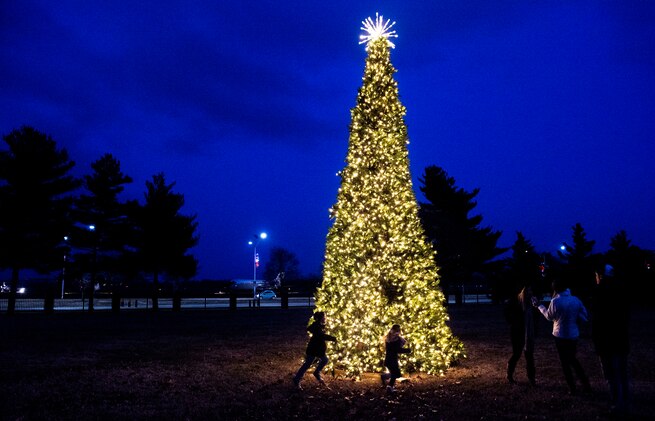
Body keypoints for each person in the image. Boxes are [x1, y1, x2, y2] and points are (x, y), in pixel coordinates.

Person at [533, 278, 591, 395]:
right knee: (573, 359)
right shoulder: (575, 300)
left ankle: (573, 387)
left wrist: (540, 306)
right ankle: (585, 384)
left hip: (560, 335)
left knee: (566, 362)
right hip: (573, 334)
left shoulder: (556, 302)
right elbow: (584, 316)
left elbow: (549, 317)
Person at [592, 264, 630, 414]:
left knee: (610, 374)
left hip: (606, 341)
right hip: (621, 338)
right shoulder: (622, 290)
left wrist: (596, 340)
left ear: (600, 276)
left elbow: (597, 320)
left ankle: (616, 404)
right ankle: (625, 401)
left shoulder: (599, 293)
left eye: (596, 276)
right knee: (622, 372)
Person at [293, 311, 337, 389]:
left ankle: (314, 373)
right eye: (324, 317)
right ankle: (297, 379)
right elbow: (322, 336)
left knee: (323, 360)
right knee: (309, 364)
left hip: (317, 349)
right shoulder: (317, 327)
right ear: (320, 318)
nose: (325, 318)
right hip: (314, 349)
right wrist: (333, 338)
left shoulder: (318, 326)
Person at [504, 286, 536, 386]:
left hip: (527, 332)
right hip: (517, 332)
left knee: (529, 356)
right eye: (528, 291)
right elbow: (507, 313)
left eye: (530, 291)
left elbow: (535, 318)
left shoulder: (531, 302)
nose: (530, 293)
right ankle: (509, 374)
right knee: (517, 354)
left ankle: (532, 378)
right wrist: (513, 323)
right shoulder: (516, 301)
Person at [380, 324, 411, 394]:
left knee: (396, 374)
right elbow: (397, 349)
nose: (399, 332)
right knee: (395, 374)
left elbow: (396, 349)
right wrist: (407, 350)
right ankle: (389, 387)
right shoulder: (395, 339)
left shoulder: (390, 338)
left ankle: (384, 377)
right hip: (392, 360)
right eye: (398, 330)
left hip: (389, 359)